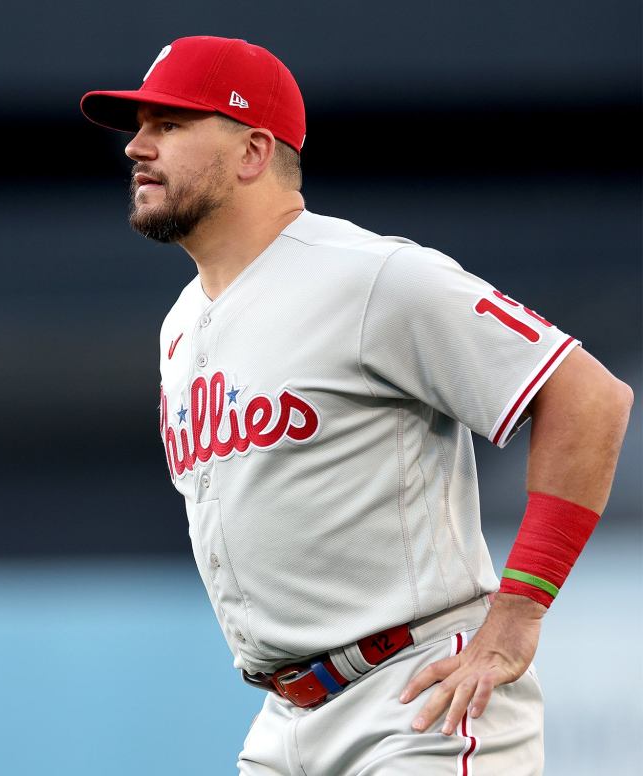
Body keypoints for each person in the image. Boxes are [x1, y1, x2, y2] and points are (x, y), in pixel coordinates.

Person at [80, 35, 633, 775]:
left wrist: (518, 614)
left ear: (251, 152)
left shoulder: (372, 277)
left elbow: (589, 396)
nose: (136, 148)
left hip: (418, 694)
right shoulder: (182, 321)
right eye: (139, 127)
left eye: (170, 125)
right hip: (285, 717)